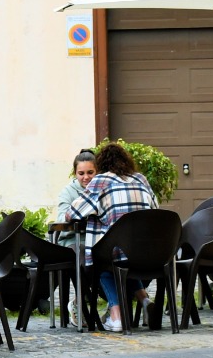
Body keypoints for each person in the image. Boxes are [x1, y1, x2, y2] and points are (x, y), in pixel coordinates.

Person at [62, 142, 157, 333]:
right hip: (147, 253)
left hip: (118, 252)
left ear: (101, 164)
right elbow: (155, 208)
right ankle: (144, 299)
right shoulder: (141, 179)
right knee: (122, 259)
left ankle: (116, 315)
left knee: (103, 262)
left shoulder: (101, 181)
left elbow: (71, 214)